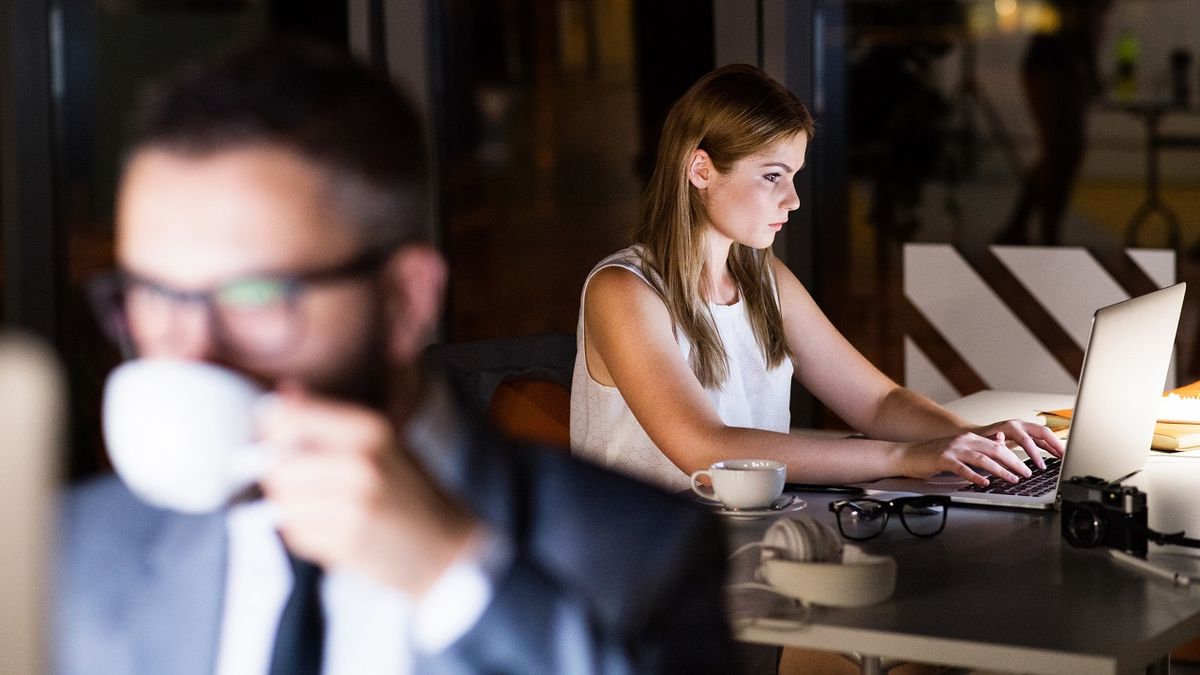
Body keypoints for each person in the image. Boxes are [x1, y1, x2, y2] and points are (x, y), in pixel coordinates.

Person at [54, 42, 735, 674]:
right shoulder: (73, 547)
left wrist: (461, 578)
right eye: (155, 295)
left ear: (406, 301)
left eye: (257, 295)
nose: (190, 355)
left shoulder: (639, 550)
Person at [570, 64, 1065, 493]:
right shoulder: (624, 291)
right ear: (701, 169)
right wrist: (904, 457)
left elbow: (878, 402)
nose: (793, 200)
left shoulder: (764, 280)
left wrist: (975, 439)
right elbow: (706, 448)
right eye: (772, 176)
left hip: (744, 536)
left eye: (794, 177)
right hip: (640, 567)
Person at [995, 0, 1113, 246]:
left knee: (1059, 153)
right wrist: (1092, 72)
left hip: (1055, 66)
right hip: (1056, 68)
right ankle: (1044, 229)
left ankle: (1029, 226)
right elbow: (1083, 23)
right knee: (1063, 152)